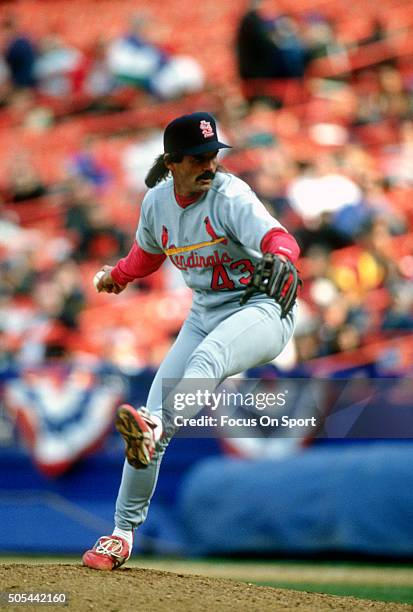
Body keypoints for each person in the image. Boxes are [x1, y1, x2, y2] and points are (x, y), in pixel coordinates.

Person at [82, 111, 301, 570]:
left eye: (213, 155)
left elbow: (279, 238)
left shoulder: (230, 194)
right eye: (198, 157)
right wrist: (117, 277)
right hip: (206, 312)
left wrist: (281, 257)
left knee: (207, 360)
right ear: (171, 163)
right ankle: (121, 534)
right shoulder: (157, 203)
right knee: (155, 418)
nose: (209, 164)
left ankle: (156, 425)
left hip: (260, 308)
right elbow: (146, 253)